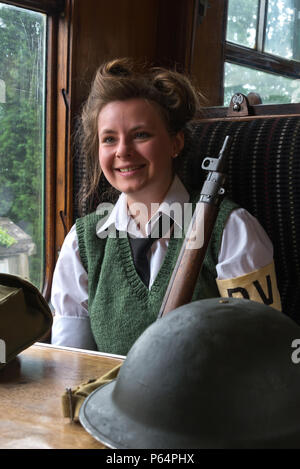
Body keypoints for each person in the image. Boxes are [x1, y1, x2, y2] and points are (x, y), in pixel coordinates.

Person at [51, 58, 281, 355]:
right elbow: (71, 361)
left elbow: (262, 353)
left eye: (140, 135)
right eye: (109, 139)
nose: (123, 151)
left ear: (175, 144)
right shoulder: (82, 243)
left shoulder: (231, 230)